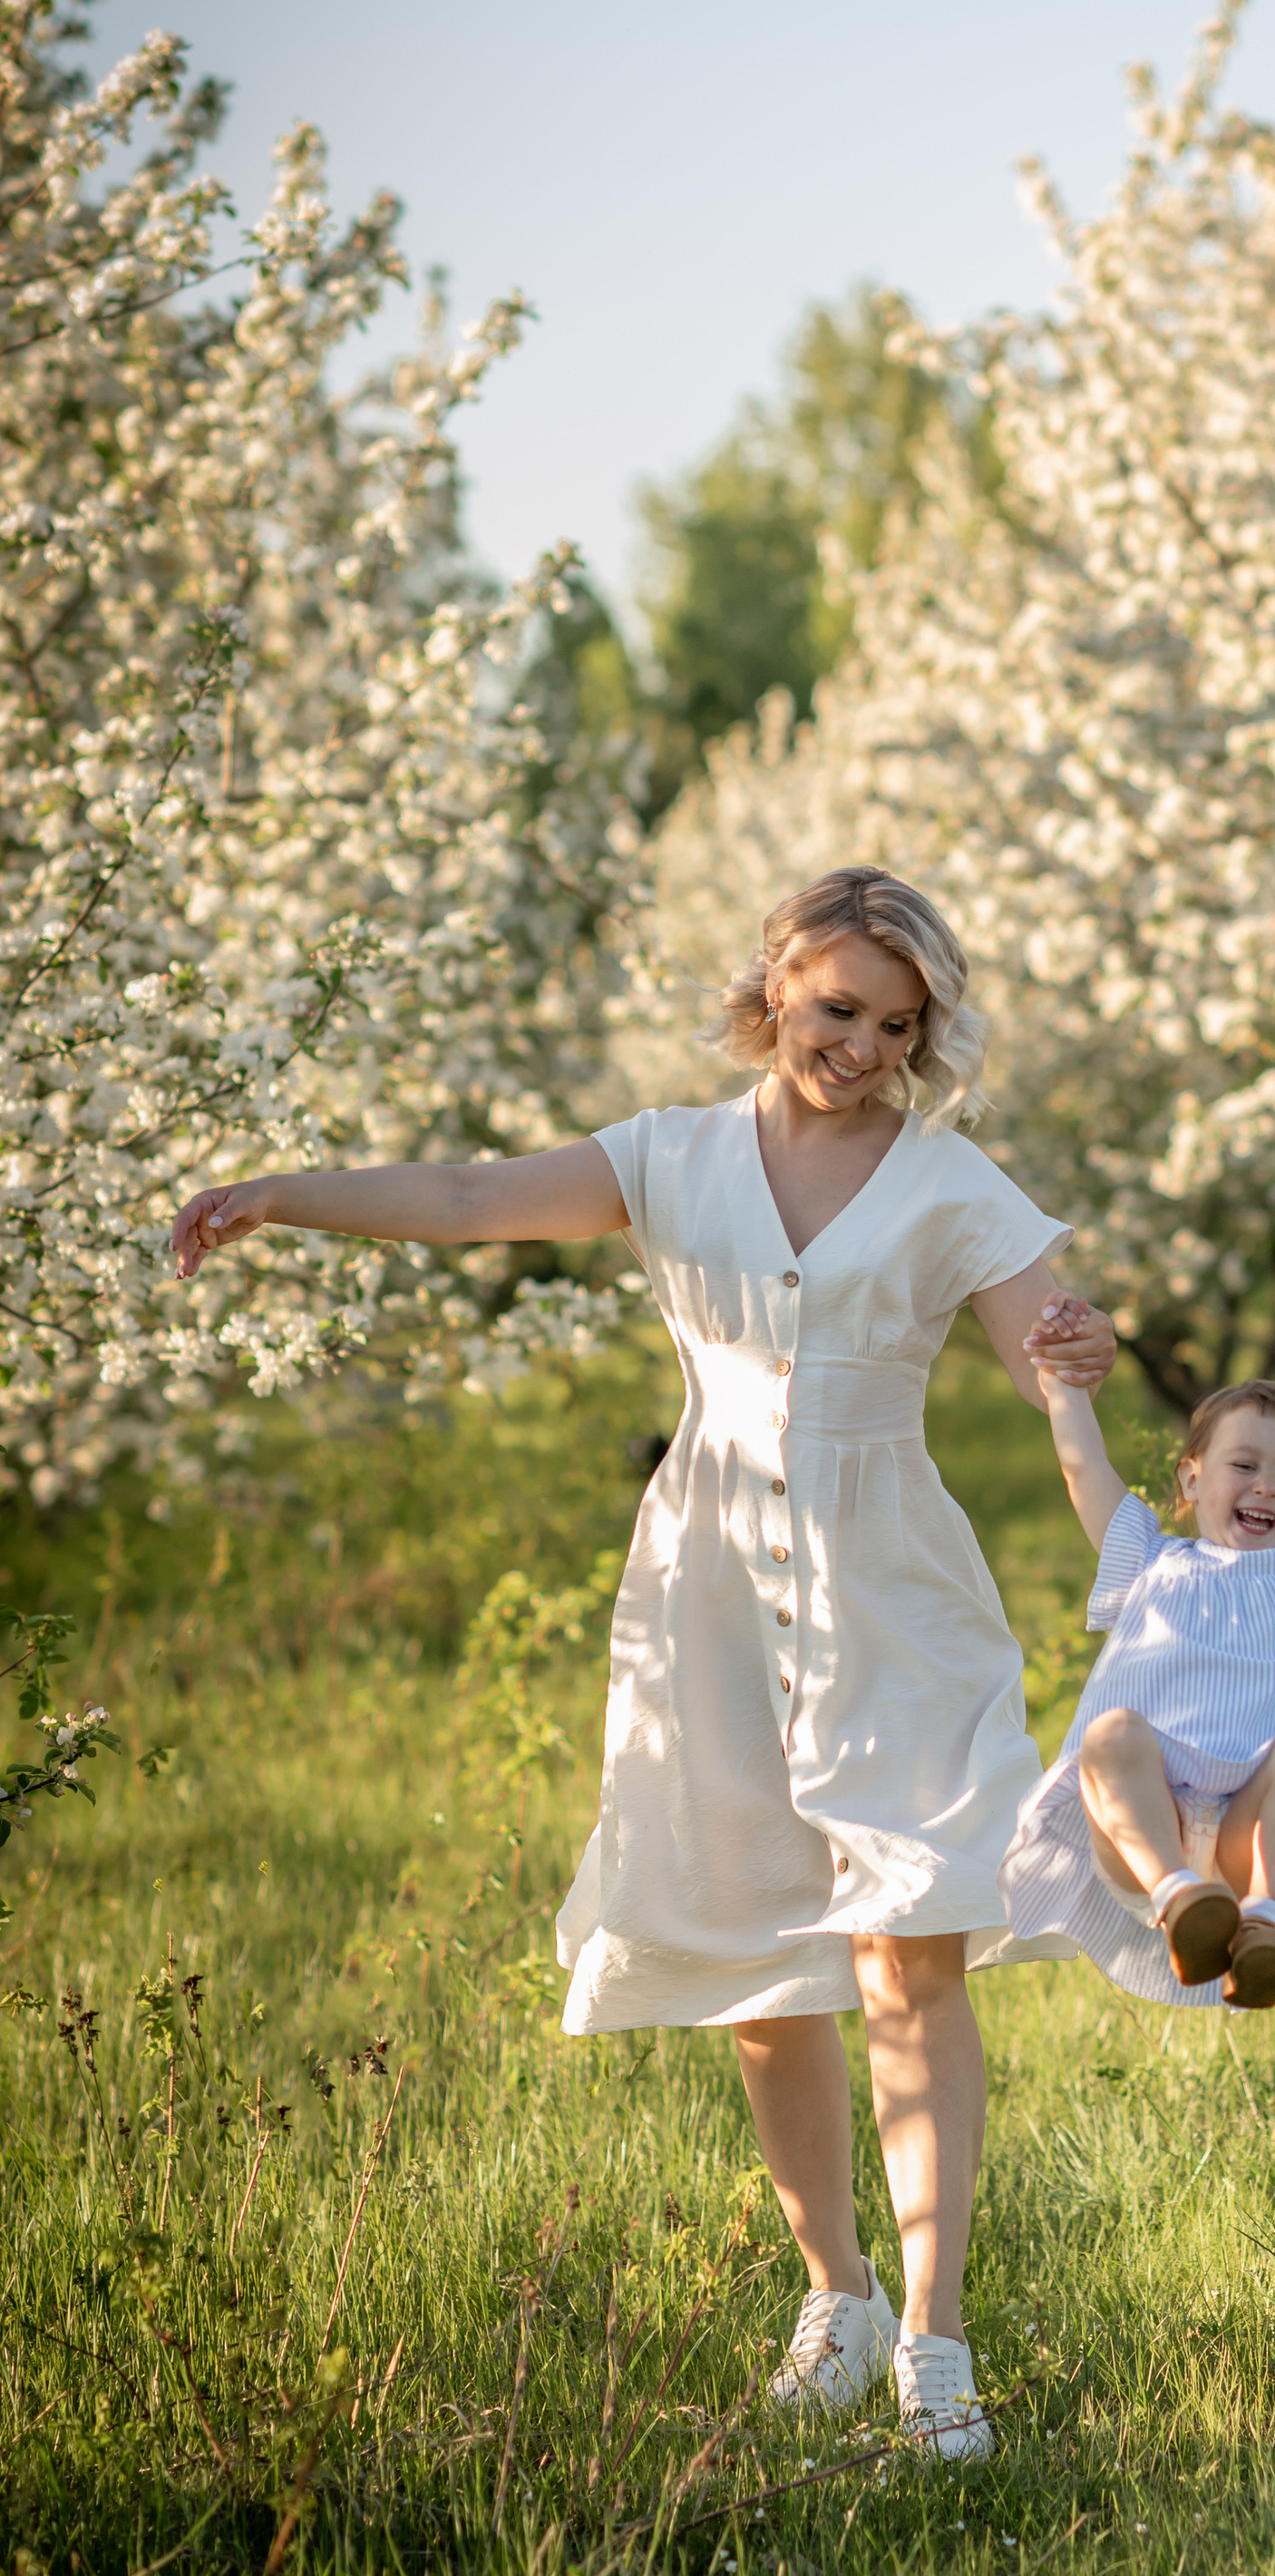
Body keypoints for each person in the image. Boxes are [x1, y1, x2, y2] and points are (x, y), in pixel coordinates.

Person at [171, 865, 1117, 2460]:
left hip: (896, 1591)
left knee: (911, 1945)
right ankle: (840, 2294)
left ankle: (939, 2339)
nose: (864, 1047)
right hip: (707, 1588)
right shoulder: (671, 1155)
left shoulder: (954, 1181)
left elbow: (1049, 1356)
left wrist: (1083, 1392)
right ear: (774, 988)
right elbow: (475, 1199)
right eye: (836, 1011)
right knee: (757, 1958)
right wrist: (282, 1194)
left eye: (898, 1025)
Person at [998, 1375, 1275, 2009]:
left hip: (1253, 1835)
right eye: (1243, 1464)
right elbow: (1084, 1469)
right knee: (1112, 1733)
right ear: (1191, 1479)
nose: (1267, 1486)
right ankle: (1181, 1899)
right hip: (1144, 1830)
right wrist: (1063, 1389)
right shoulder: (1148, 1557)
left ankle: (1264, 1926)